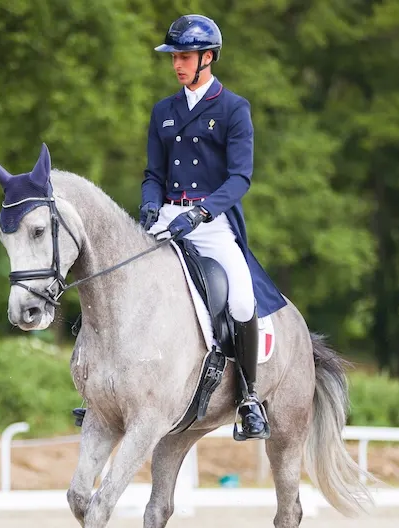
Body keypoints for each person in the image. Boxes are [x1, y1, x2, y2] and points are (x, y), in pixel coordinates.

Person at [140, 14, 287, 441]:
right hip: (168, 216)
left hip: (211, 222)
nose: (176, 65)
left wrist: (202, 213)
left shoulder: (232, 108)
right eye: (174, 58)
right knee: (120, 275)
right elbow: (153, 172)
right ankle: (109, 385)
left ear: (207, 58)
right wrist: (151, 206)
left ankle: (248, 398)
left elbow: (240, 177)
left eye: (183, 57)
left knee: (241, 303)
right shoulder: (163, 111)